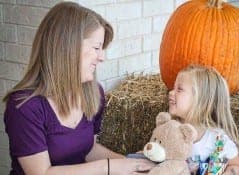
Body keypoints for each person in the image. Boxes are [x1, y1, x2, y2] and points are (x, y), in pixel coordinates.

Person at [3, 2, 155, 175]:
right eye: (97, 48)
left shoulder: (93, 93)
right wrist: (108, 167)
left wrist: (134, 164)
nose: (102, 57)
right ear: (68, 47)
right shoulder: (24, 107)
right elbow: (42, 173)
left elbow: (88, 150)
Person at [168, 65, 239, 175]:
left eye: (179, 89)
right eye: (173, 88)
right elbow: (154, 154)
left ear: (200, 100)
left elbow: (236, 165)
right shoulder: (170, 131)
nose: (171, 92)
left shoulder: (218, 139)